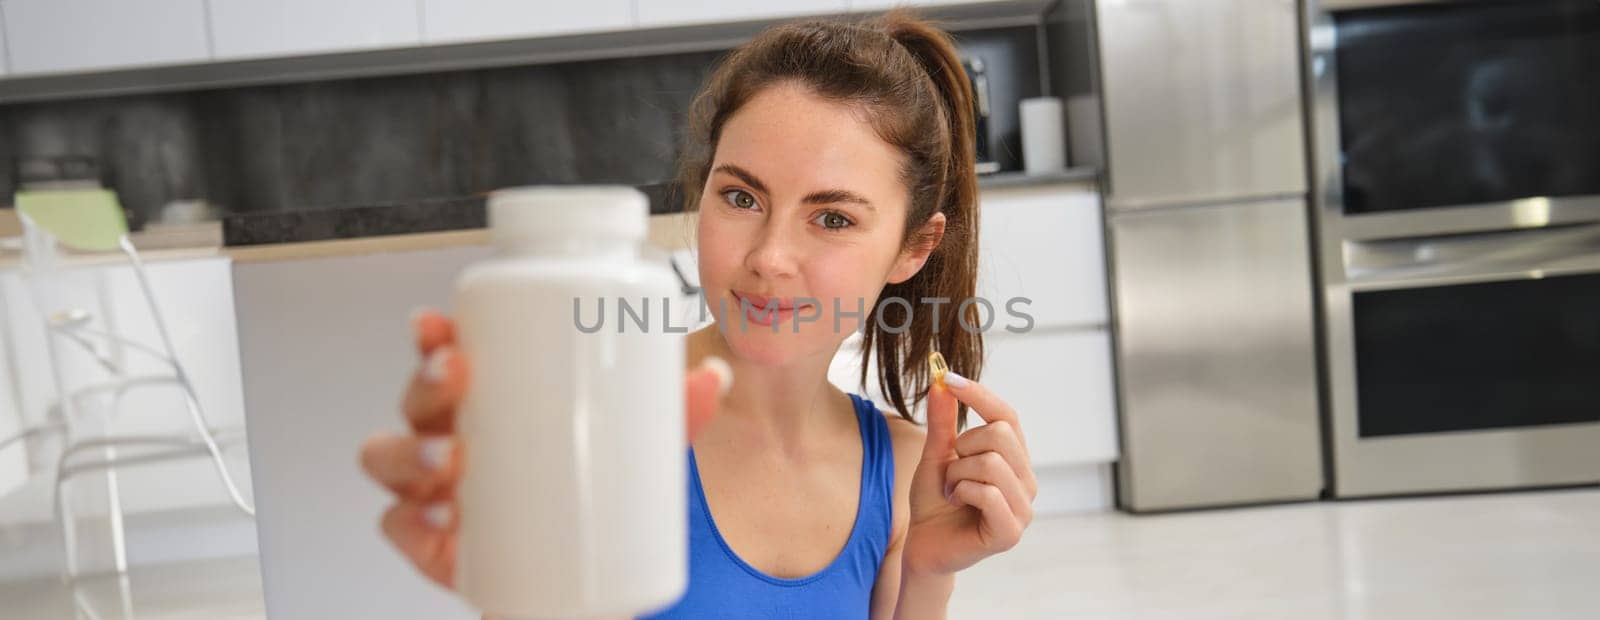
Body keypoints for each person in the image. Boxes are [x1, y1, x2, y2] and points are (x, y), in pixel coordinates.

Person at [359, 9, 1037, 618]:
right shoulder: (604, 424)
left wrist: (928, 575)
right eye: (742, 198)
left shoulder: (905, 470)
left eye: (832, 217)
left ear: (913, 249)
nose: (770, 257)